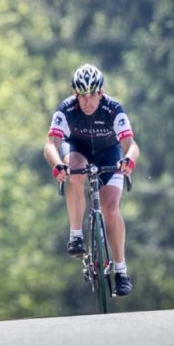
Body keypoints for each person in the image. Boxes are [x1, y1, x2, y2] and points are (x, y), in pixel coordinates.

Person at [43, 63, 140, 296]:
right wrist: (57, 164)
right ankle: (76, 235)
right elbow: (50, 145)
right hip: (78, 149)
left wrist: (129, 160)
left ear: (101, 93)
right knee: (74, 169)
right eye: (82, 95)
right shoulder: (66, 109)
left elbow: (131, 145)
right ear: (75, 94)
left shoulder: (114, 109)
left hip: (110, 153)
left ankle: (121, 271)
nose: (87, 101)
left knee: (111, 207)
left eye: (92, 95)